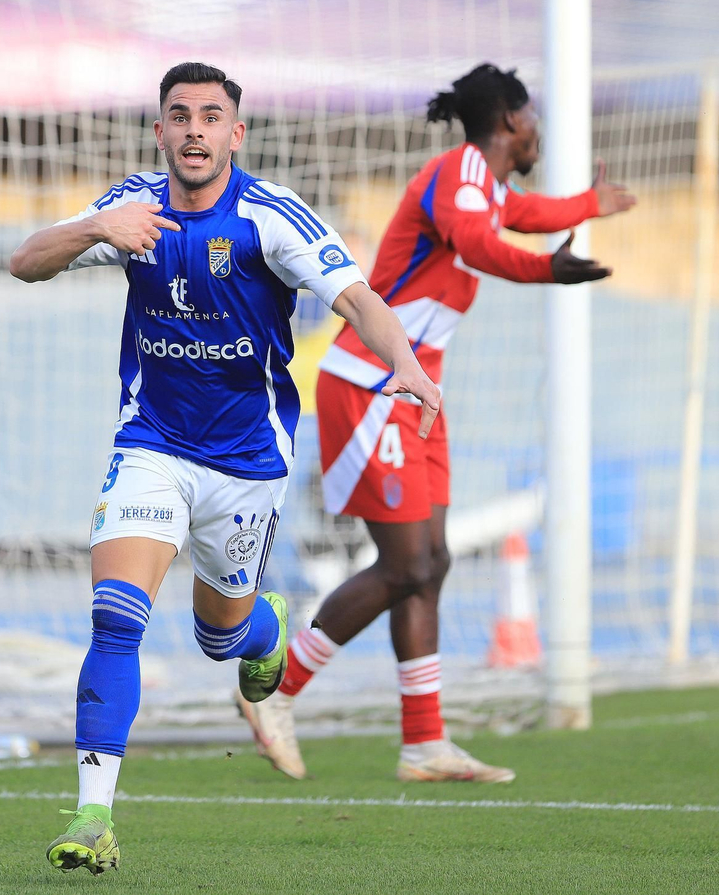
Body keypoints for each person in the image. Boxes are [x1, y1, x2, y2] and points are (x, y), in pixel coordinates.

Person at [10, 62, 442, 874]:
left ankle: (266, 629)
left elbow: (358, 299)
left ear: (236, 134)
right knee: (116, 618)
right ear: (160, 131)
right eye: (180, 116)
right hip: (151, 446)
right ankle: (93, 814)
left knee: (221, 637)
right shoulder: (131, 206)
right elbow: (24, 260)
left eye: (212, 116)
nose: (196, 130)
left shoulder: (271, 219)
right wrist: (97, 231)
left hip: (245, 464)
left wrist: (406, 365)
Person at [237, 63, 636, 783]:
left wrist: (586, 204)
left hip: (417, 393)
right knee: (405, 564)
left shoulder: (485, 186)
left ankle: (424, 741)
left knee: (433, 562)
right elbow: (483, 244)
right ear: (512, 121)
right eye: (533, 115)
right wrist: (551, 270)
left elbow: (517, 216)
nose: (539, 126)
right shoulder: (457, 176)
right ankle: (274, 689)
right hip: (371, 382)